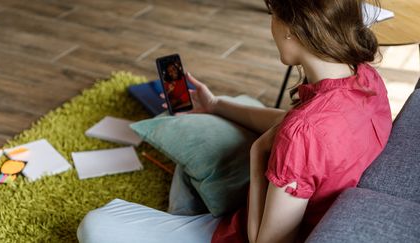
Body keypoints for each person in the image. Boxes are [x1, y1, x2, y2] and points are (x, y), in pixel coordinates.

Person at [77, 0, 392, 242]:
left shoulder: (302, 133)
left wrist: (258, 155)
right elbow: (293, 123)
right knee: (197, 145)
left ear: (292, 29)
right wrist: (216, 105)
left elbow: (270, 241)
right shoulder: (365, 78)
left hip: (235, 235)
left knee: (96, 224)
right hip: (278, 200)